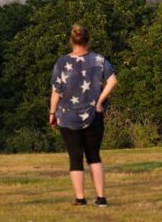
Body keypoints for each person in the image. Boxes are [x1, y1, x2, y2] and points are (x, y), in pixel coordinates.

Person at [49, 24, 117, 207]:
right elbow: (112, 81)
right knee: (94, 156)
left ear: (71, 41)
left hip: (67, 116)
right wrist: (100, 101)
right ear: (88, 41)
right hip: (94, 115)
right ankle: (101, 198)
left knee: (75, 157)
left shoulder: (62, 63)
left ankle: (80, 199)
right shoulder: (98, 60)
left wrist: (52, 112)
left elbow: (56, 91)